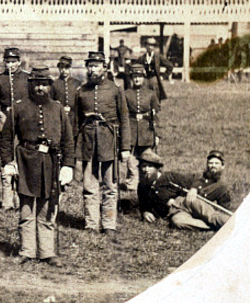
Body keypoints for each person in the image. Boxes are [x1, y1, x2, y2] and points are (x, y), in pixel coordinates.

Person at [0, 67, 74, 266]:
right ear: (30, 85)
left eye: (44, 84)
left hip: (50, 163)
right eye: (36, 84)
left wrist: (68, 165)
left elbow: (68, 139)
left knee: (48, 209)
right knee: (26, 208)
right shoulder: (19, 107)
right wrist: (8, 162)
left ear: (49, 86)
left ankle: (47, 252)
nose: (40, 88)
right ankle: (27, 250)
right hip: (26, 161)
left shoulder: (57, 109)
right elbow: (6, 137)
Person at [73, 51, 130, 241]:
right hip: (88, 143)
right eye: (90, 65)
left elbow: (124, 119)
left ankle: (109, 224)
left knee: (110, 186)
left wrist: (125, 148)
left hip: (109, 142)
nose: (92, 69)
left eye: (96, 65)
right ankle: (91, 223)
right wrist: (72, 148)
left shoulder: (115, 89)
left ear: (104, 67)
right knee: (89, 186)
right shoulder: (81, 91)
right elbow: (75, 121)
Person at [137, 150, 231, 231]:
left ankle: (234, 224)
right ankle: (215, 228)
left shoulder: (169, 176)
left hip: (186, 201)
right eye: (143, 166)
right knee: (178, 222)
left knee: (210, 216)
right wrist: (145, 212)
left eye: (150, 167)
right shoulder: (142, 187)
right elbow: (143, 205)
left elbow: (194, 179)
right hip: (174, 212)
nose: (146, 170)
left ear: (157, 168)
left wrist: (193, 189)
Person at [0, 47, 30, 210]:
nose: (11, 65)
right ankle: (7, 202)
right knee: (5, 160)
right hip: (4, 121)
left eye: (14, 62)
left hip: (24, 121)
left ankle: (21, 200)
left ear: (19, 62)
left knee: (22, 160)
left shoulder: (27, 78)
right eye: (8, 62)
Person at [122, 63, 160, 193]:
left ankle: (148, 181)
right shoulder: (126, 94)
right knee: (131, 161)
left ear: (144, 77)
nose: (137, 79)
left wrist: (157, 134)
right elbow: (123, 115)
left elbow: (155, 115)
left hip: (146, 130)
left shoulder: (150, 94)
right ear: (131, 78)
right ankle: (132, 184)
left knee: (147, 157)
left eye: (139, 76)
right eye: (134, 77)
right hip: (131, 129)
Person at [49, 56, 80, 125]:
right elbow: (51, 101)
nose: (63, 70)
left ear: (70, 68)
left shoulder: (77, 83)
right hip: (59, 117)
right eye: (61, 67)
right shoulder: (55, 84)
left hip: (74, 117)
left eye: (66, 68)